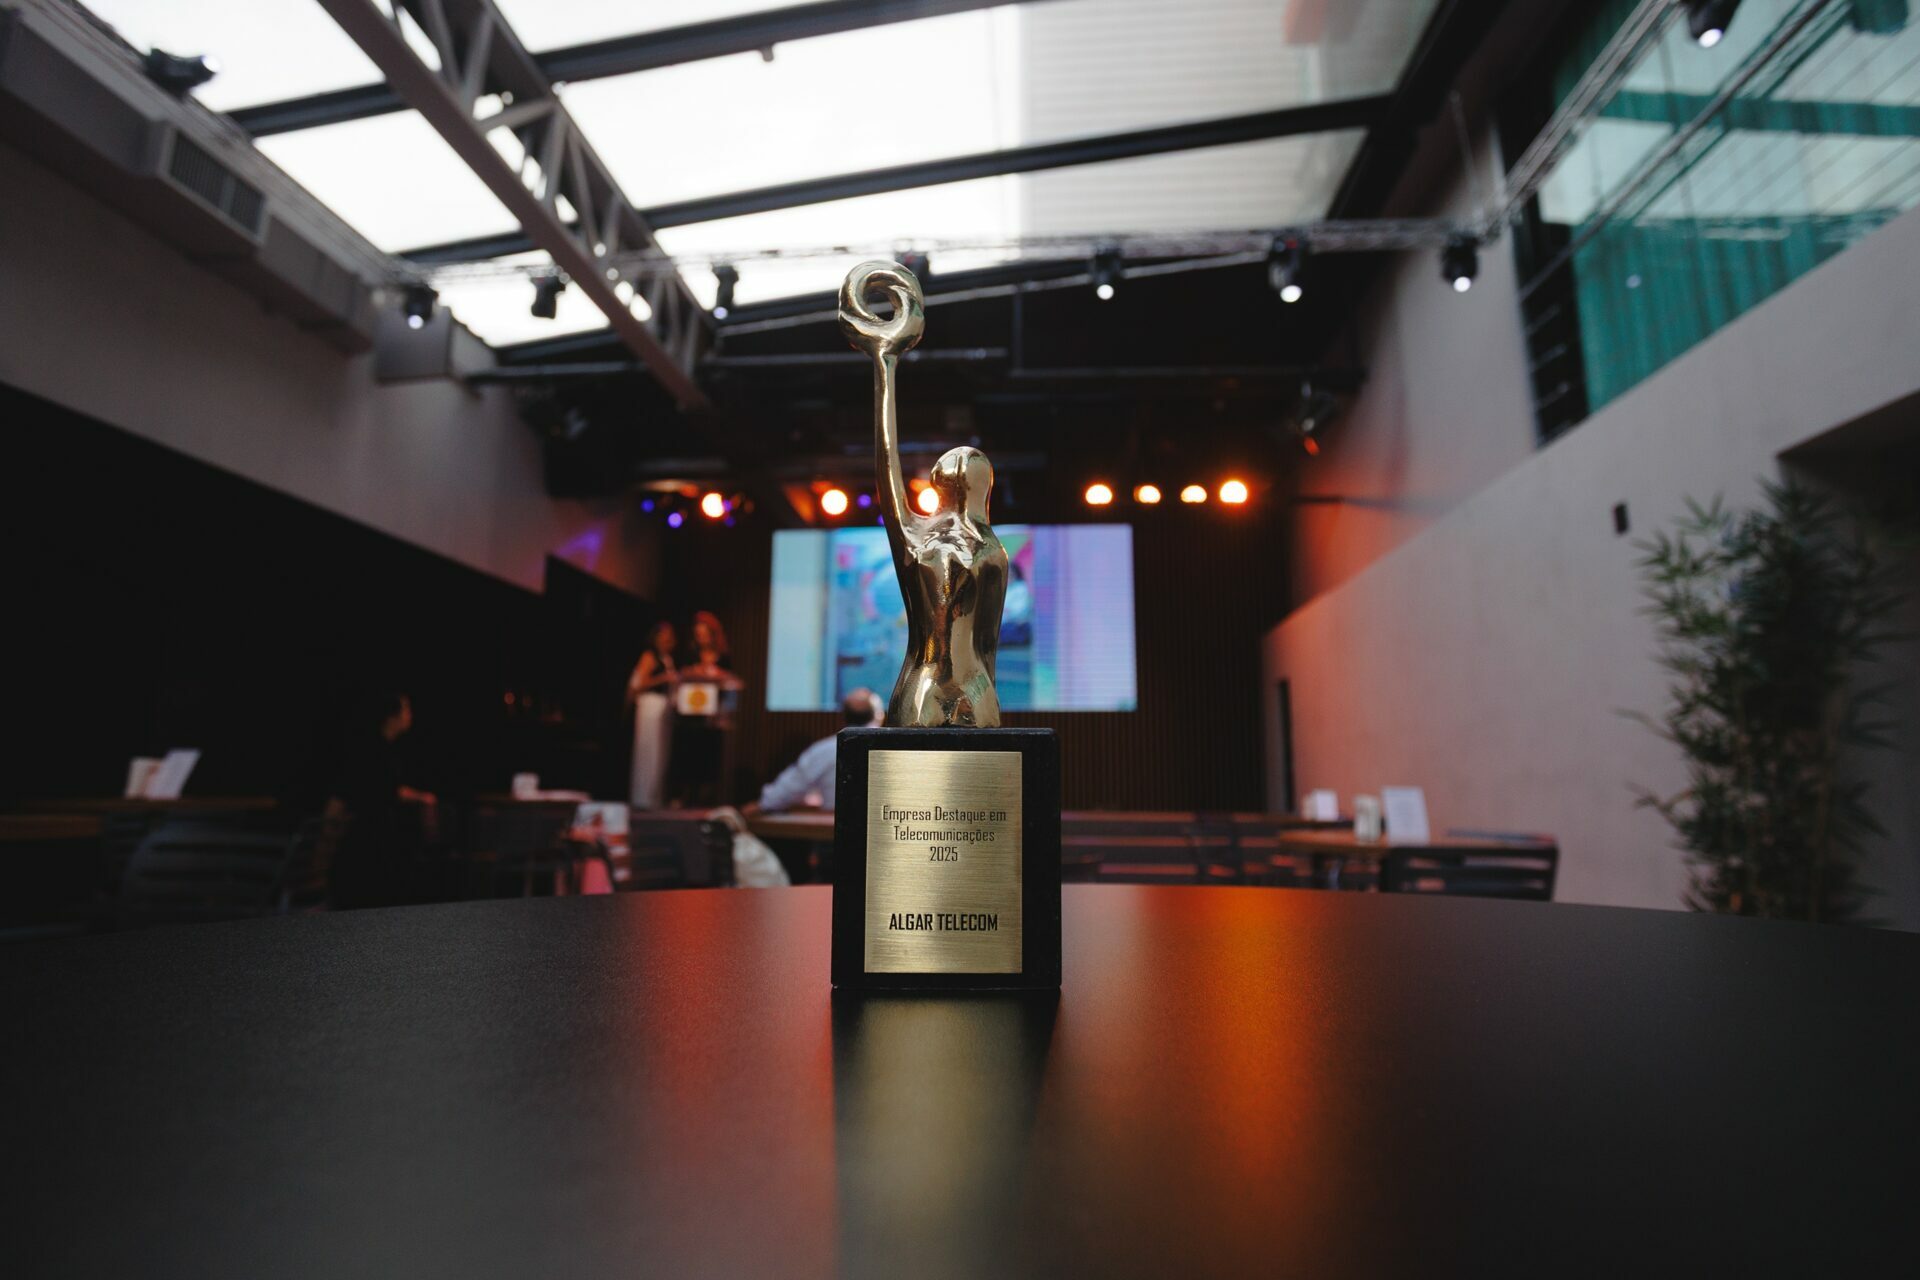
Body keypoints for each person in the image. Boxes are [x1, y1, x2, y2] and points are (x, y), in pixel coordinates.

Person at [329, 691, 437, 909]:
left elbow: (392, 787)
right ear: (392, 715)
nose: (410, 715)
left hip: (375, 833)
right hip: (369, 837)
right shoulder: (373, 749)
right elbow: (385, 790)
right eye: (406, 710)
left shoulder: (386, 748)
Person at [745, 688, 880, 814]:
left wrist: (761, 805)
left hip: (835, 828)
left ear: (843, 716)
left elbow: (786, 790)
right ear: (879, 715)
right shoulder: (890, 750)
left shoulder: (823, 751)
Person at [626, 621, 678, 808]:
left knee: (660, 756)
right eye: (663, 636)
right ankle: (643, 798)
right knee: (648, 752)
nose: (667, 640)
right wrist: (663, 678)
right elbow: (639, 684)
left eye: (670, 637)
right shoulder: (649, 656)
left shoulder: (667, 658)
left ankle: (655, 798)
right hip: (650, 708)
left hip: (663, 708)